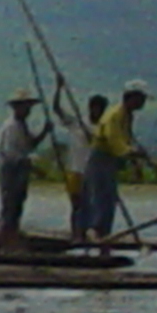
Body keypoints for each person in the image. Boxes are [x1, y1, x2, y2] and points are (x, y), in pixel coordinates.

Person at [82, 79, 151, 242]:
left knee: (109, 198)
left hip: (110, 160)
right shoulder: (114, 115)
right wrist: (133, 154)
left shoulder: (127, 116)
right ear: (131, 97)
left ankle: (104, 234)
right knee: (102, 197)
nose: (143, 103)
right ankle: (94, 232)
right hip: (101, 159)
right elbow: (115, 143)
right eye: (141, 99)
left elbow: (127, 140)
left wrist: (137, 164)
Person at [0, 88, 52, 248]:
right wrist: (34, 168)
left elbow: (30, 144)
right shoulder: (11, 127)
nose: (28, 110)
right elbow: (11, 154)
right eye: (25, 107)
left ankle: (12, 237)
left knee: (17, 204)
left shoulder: (21, 125)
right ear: (16, 108)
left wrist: (45, 132)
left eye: (29, 107)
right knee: (10, 205)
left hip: (20, 170)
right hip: (11, 170)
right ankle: (6, 240)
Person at [52, 88, 108, 241]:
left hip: (93, 172)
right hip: (76, 170)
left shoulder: (103, 128)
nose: (98, 112)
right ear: (90, 108)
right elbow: (56, 109)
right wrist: (59, 87)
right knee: (76, 205)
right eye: (95, 108)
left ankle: (89, 233)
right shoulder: (77, 122)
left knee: (91, 206)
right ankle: (77, 234)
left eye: (101, 109)